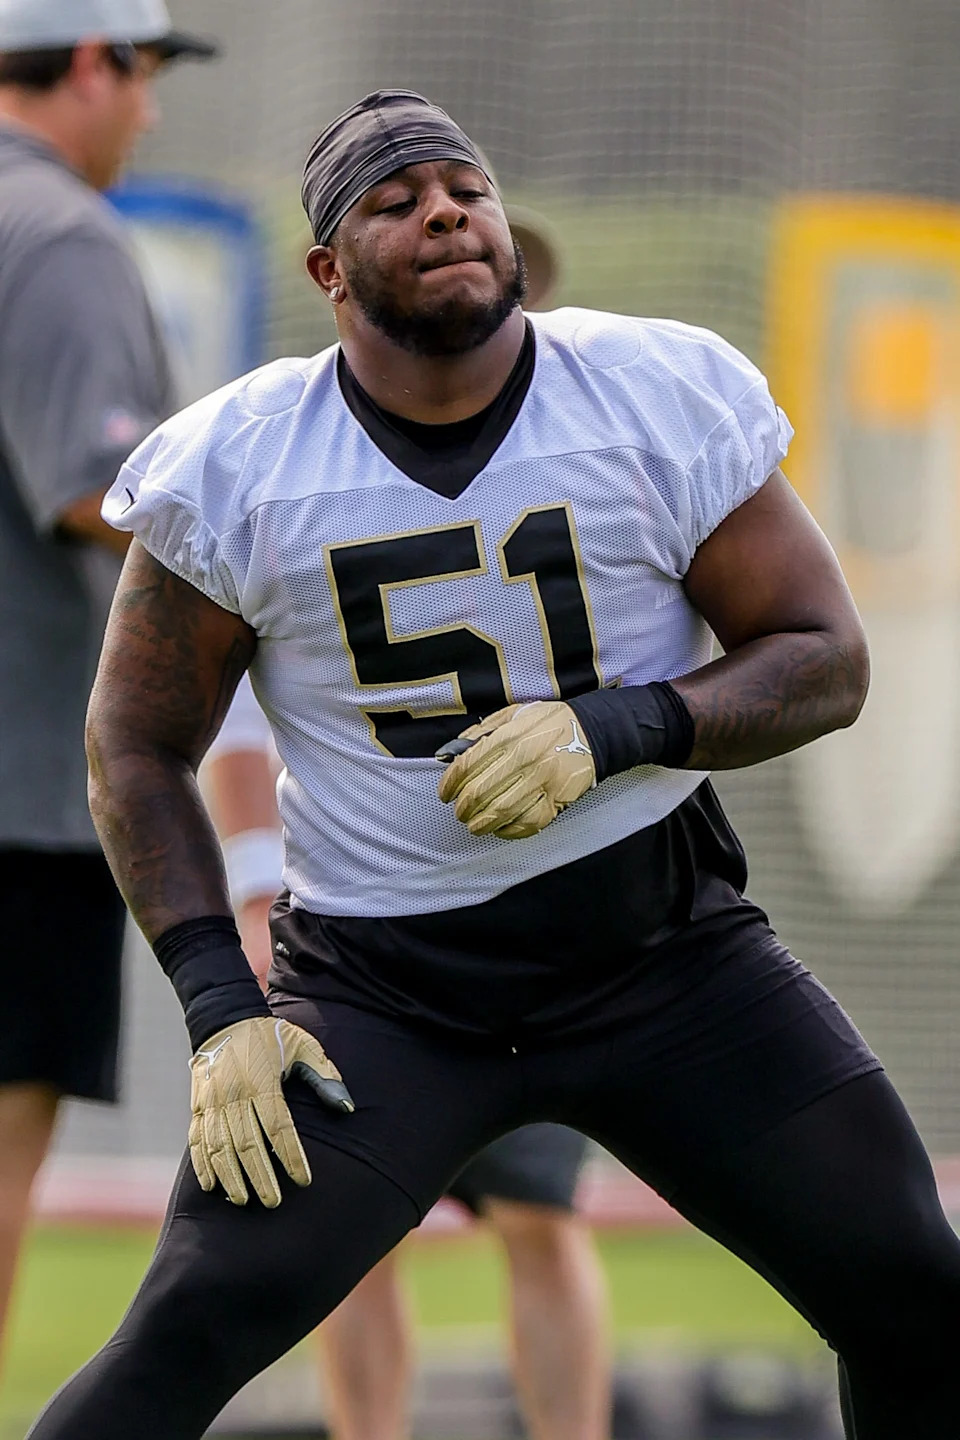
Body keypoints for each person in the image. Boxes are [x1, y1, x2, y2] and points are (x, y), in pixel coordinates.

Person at [29, 89, 960, 1440]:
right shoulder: (241, 462)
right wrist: (222, 1006)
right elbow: (136, 741)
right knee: (179, 1340)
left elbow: (821, 654)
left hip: (668, 964)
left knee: (912, 1288)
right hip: (389, 999)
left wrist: (617, 727)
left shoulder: (648, 387)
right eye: (394, 201)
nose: (445, 210)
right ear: (328, 271)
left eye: (461, 185)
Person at [206, 679, 610, 1440]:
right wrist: (258, 896)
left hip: (514, 912)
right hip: (348, 928)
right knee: (355, 1232)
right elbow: (237, 710)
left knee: (541, 1212)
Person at [0, 0, 216, 1368]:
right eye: (145, 76)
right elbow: (100, 483)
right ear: (95, 63)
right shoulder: (62, 234)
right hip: (18, 795)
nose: (148, 109)